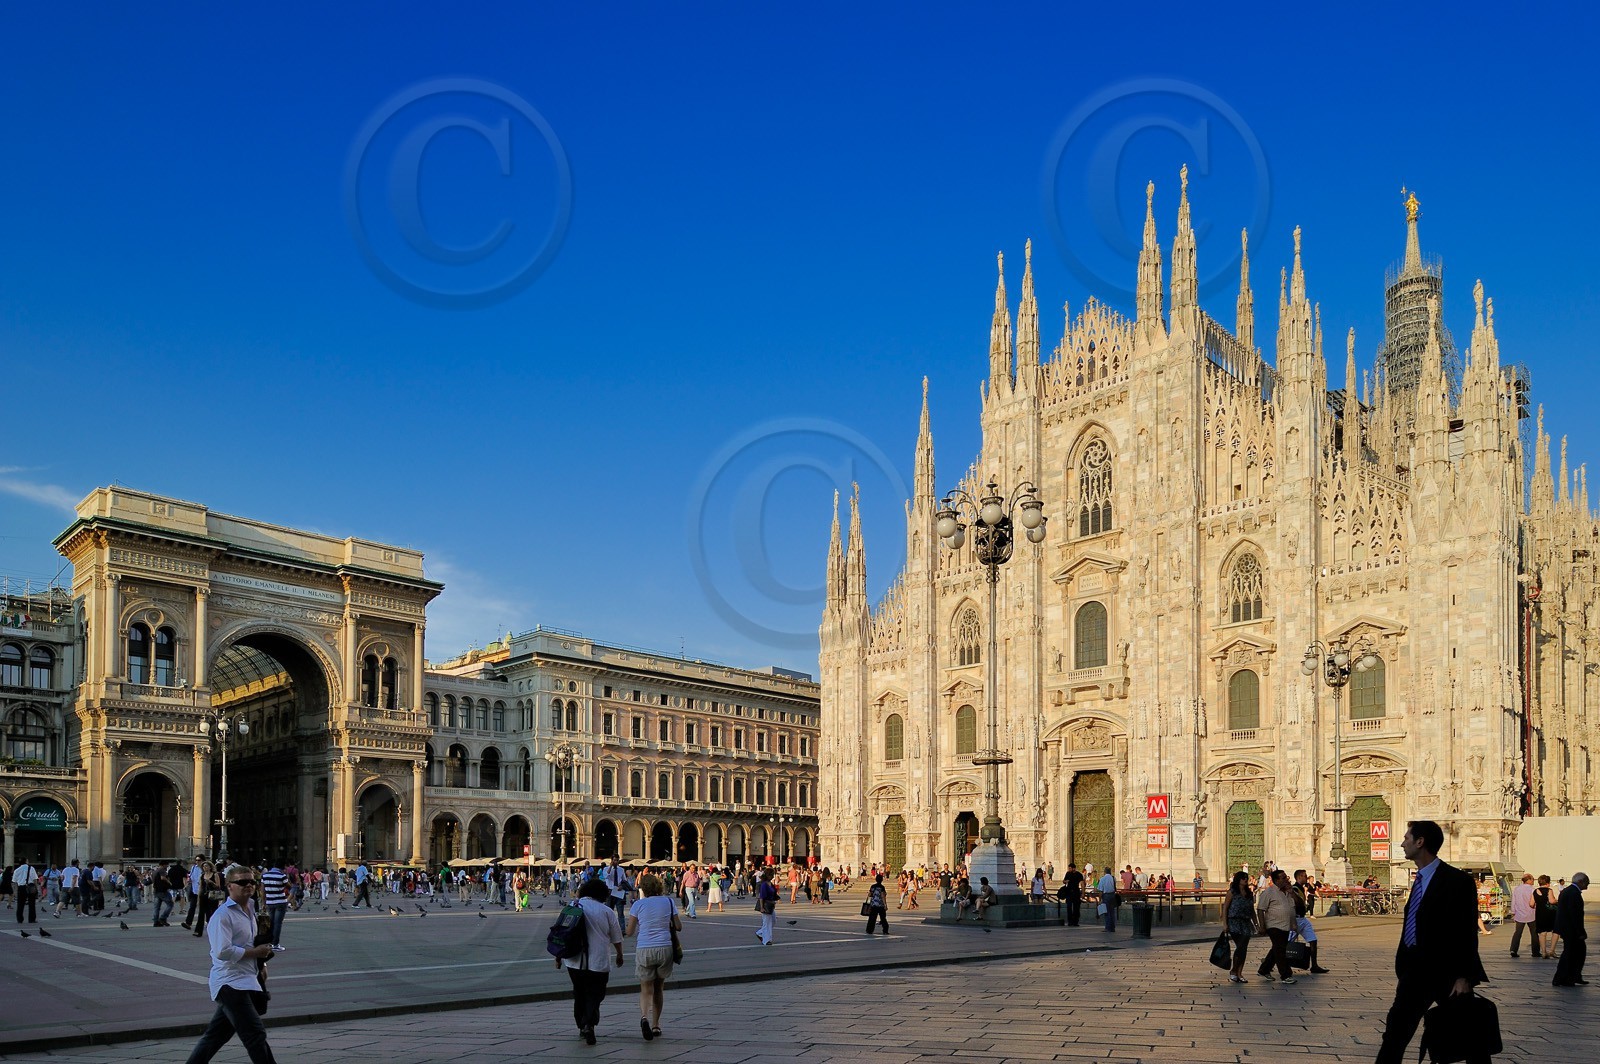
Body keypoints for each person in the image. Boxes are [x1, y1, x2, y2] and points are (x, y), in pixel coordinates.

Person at [1373, 820, 1488, 1064]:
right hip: (1414, 973)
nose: (1402, 843)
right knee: (1395, 1035)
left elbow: (1466, 931)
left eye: (1406, 838)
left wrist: (1463, 976)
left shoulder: (1457, 881)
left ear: (1420, 842)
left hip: (1448, 974)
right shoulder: (1418, 880)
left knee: (1470, 1038)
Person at [184, 864, 277, 1063]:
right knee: (255, 1035)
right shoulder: (222, 916)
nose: (249, 886)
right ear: (229, 886)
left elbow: (249, 943)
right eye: (242, 882)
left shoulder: (251, 908)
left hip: (246, 979)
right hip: (229, 983)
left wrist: (262, 964)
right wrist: (255, 952)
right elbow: (222, 951)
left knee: (215, 1036)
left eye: (252, 881)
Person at [559, 877, 624, 1045]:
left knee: (579, 991)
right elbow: (617, 937)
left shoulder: (572, 907)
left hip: (574, 960)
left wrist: (558, 956)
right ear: (601, 894)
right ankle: (589, 1022)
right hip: (598, 960)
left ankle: (582, 1025)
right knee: (596, 994)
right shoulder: (606, 911)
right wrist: (619, 954)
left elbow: (561, 934)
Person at [1255, 869, 1297, 984]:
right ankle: (1286, 975)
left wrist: (1294, 923)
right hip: (1273, 925)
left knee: (1277, 948)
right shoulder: (1269, 892)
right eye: (1283, 878)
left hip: (1286, 925)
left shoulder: (1288, 892)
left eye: (1286, 877)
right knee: (1280, 950)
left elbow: (1292, 909)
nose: (1286, 879)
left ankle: (1264, 969)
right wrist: (1262, 926)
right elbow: (1260, 909)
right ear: (1276, 880)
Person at [1551, 872, 1589, 987]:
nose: (1588, 885)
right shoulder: (1574, 893)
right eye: (1587, 882)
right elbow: (1575, 915)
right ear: (1581, 882)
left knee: (1576, 952)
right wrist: (1580, 931)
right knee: (1570, 953)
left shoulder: (1567, 891)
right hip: (1571, 929)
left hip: (1566, 928)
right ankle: (1563, 978)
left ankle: (1574, 976)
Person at [1291, 868, 1329, 974]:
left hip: (1303, 918)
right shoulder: (1294, 888)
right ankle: (1269, 963)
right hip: (1295, 919)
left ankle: (1314, 965)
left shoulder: (1301, 888)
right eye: (1304, 875)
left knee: (1313, 940)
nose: (1306, 877)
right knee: (1285, 944)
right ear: (1298, 877)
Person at [1225, 871, 1255, 983]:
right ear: (1238, 879)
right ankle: (1234, 970)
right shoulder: (1232, 892)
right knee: (1241, 946)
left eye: (1246, 878)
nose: (1245, 880)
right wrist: (1225, 923)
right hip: (1234, 922)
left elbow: (1252, 910)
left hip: (1246, 922)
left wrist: (1256, 924)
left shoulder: (1249, 893)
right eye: (1243, 878)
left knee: (1243, 948)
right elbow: (1225, 908)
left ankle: (1239, 972)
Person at [260, 859, 289, 950]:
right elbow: (289, 886)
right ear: (283, 866)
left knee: (270, 923)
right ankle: (275, 944)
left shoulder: (265, 875)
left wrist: (263, 903)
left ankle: (269, 943)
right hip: (280, 902)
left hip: (269, 902)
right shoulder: (282, 875)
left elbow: (262, 891)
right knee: (278, 923)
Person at [1535, 874, 1559, 958]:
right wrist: (1557, 901)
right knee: (1555, 931)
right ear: (1548, 883)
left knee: (1542, 933)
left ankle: (1544, 952)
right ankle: (1552, 951)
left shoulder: (1535, 891)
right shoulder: (1549, 890)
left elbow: (1531, 903)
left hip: (1539, 914)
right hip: (1550, 914)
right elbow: (1551, 901)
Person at [755, 868, 778, 945]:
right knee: (767, 923)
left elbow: (774, 893)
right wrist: (762, 907)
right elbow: (762, 897)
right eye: (771, 875)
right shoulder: (764, 884)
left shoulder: (770, 884)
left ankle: (760, 933)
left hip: (771, 905)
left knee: (773, 921)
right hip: (765, 905)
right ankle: (767, 940)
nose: (772, 876)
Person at [13, 859, 39, 925]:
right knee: (32, 904)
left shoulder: (16, 870)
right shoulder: (31, 868)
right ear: (26, 862)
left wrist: (15, 891)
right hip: (30, 886)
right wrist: (36, 888)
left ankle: (20, 919)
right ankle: (32, 919)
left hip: (21, 887)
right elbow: (35, 879)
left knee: (20, 904)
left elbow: (14, 882)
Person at [1097, 867, 1118, 932]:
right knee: (1112, 912)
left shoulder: (1102, 879)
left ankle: (1108, 927)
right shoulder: (1113, 878)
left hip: (1106, 896)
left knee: (1107, 912)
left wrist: (1099, 899)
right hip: (1112, 895)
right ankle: (1112, 927)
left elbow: (1100, 891)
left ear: (1104, 872)